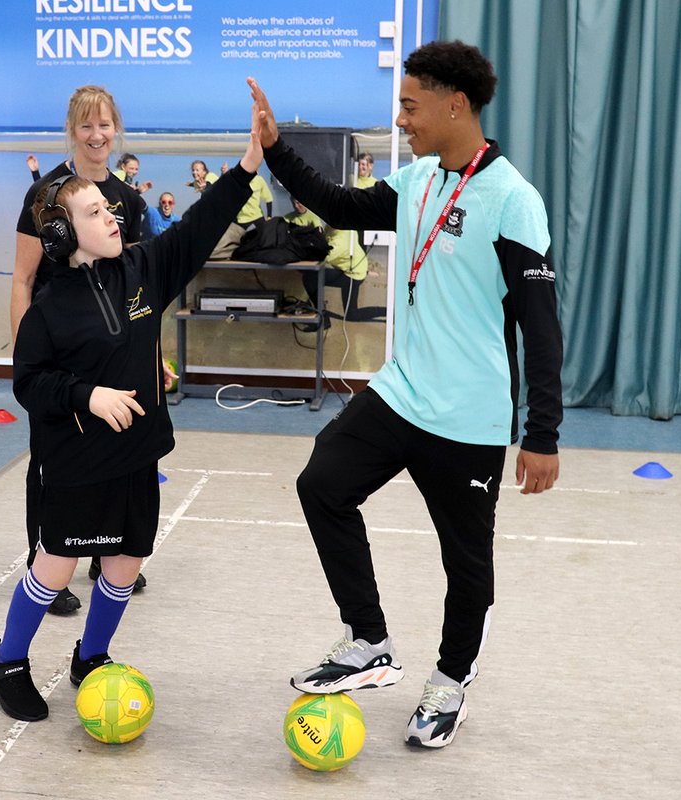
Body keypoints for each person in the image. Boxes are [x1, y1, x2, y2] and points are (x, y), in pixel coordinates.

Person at [249, 40, 564, 750]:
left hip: (468, 417)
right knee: (322, 483)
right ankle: (367, 638)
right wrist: (277, 147)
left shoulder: (514, 200)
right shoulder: (419, 179)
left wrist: (542, 433)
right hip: (401, 393)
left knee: (466, 564)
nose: (402, 119)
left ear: (457, 105)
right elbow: (337, 202)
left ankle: (450, 681)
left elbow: (541, 330)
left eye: (411, 105)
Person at [0, 105, 265, 723]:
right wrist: (88, 395)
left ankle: (92, 655)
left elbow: (197, 226)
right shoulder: (48, 308)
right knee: (55, 566)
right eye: (92, 213)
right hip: (77, 458)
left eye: (108, 210)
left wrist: (246, 167)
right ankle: (5, 661)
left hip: (137, 452)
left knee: (126, 561)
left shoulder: (143, 268)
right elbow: (30, 383)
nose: (110, 215)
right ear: (63, 234)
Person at [11, 86, 151, 615]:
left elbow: (137, 284)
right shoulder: (46, 197)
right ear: (72, 131)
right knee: (53, 461)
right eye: (86, 126)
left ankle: (107, 552)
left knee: (119, 448)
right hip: (58, 354)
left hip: (111, 355)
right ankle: (46, 558)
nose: (97, 136)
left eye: (106, 125)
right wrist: (26, 359)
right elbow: (23, 280)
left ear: (116, 130)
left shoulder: (129, 199)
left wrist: (146, 350)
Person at [284, 197, 383, 326]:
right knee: (311, 278)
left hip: (353, 274)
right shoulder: (332, 227)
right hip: (346, 268)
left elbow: (319, 258)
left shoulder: (340, 242)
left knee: (351, 314)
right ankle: (321, 316)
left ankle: (388, 312)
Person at [209, 161, 274, 259]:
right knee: (228, 238)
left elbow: (268, 198)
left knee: (266, 238)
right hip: (241, 217)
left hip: (256, 215)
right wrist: (224, 173)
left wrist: (269, 215)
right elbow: (223, 187)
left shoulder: (260, 180)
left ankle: (266, 257)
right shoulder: (237, 179)